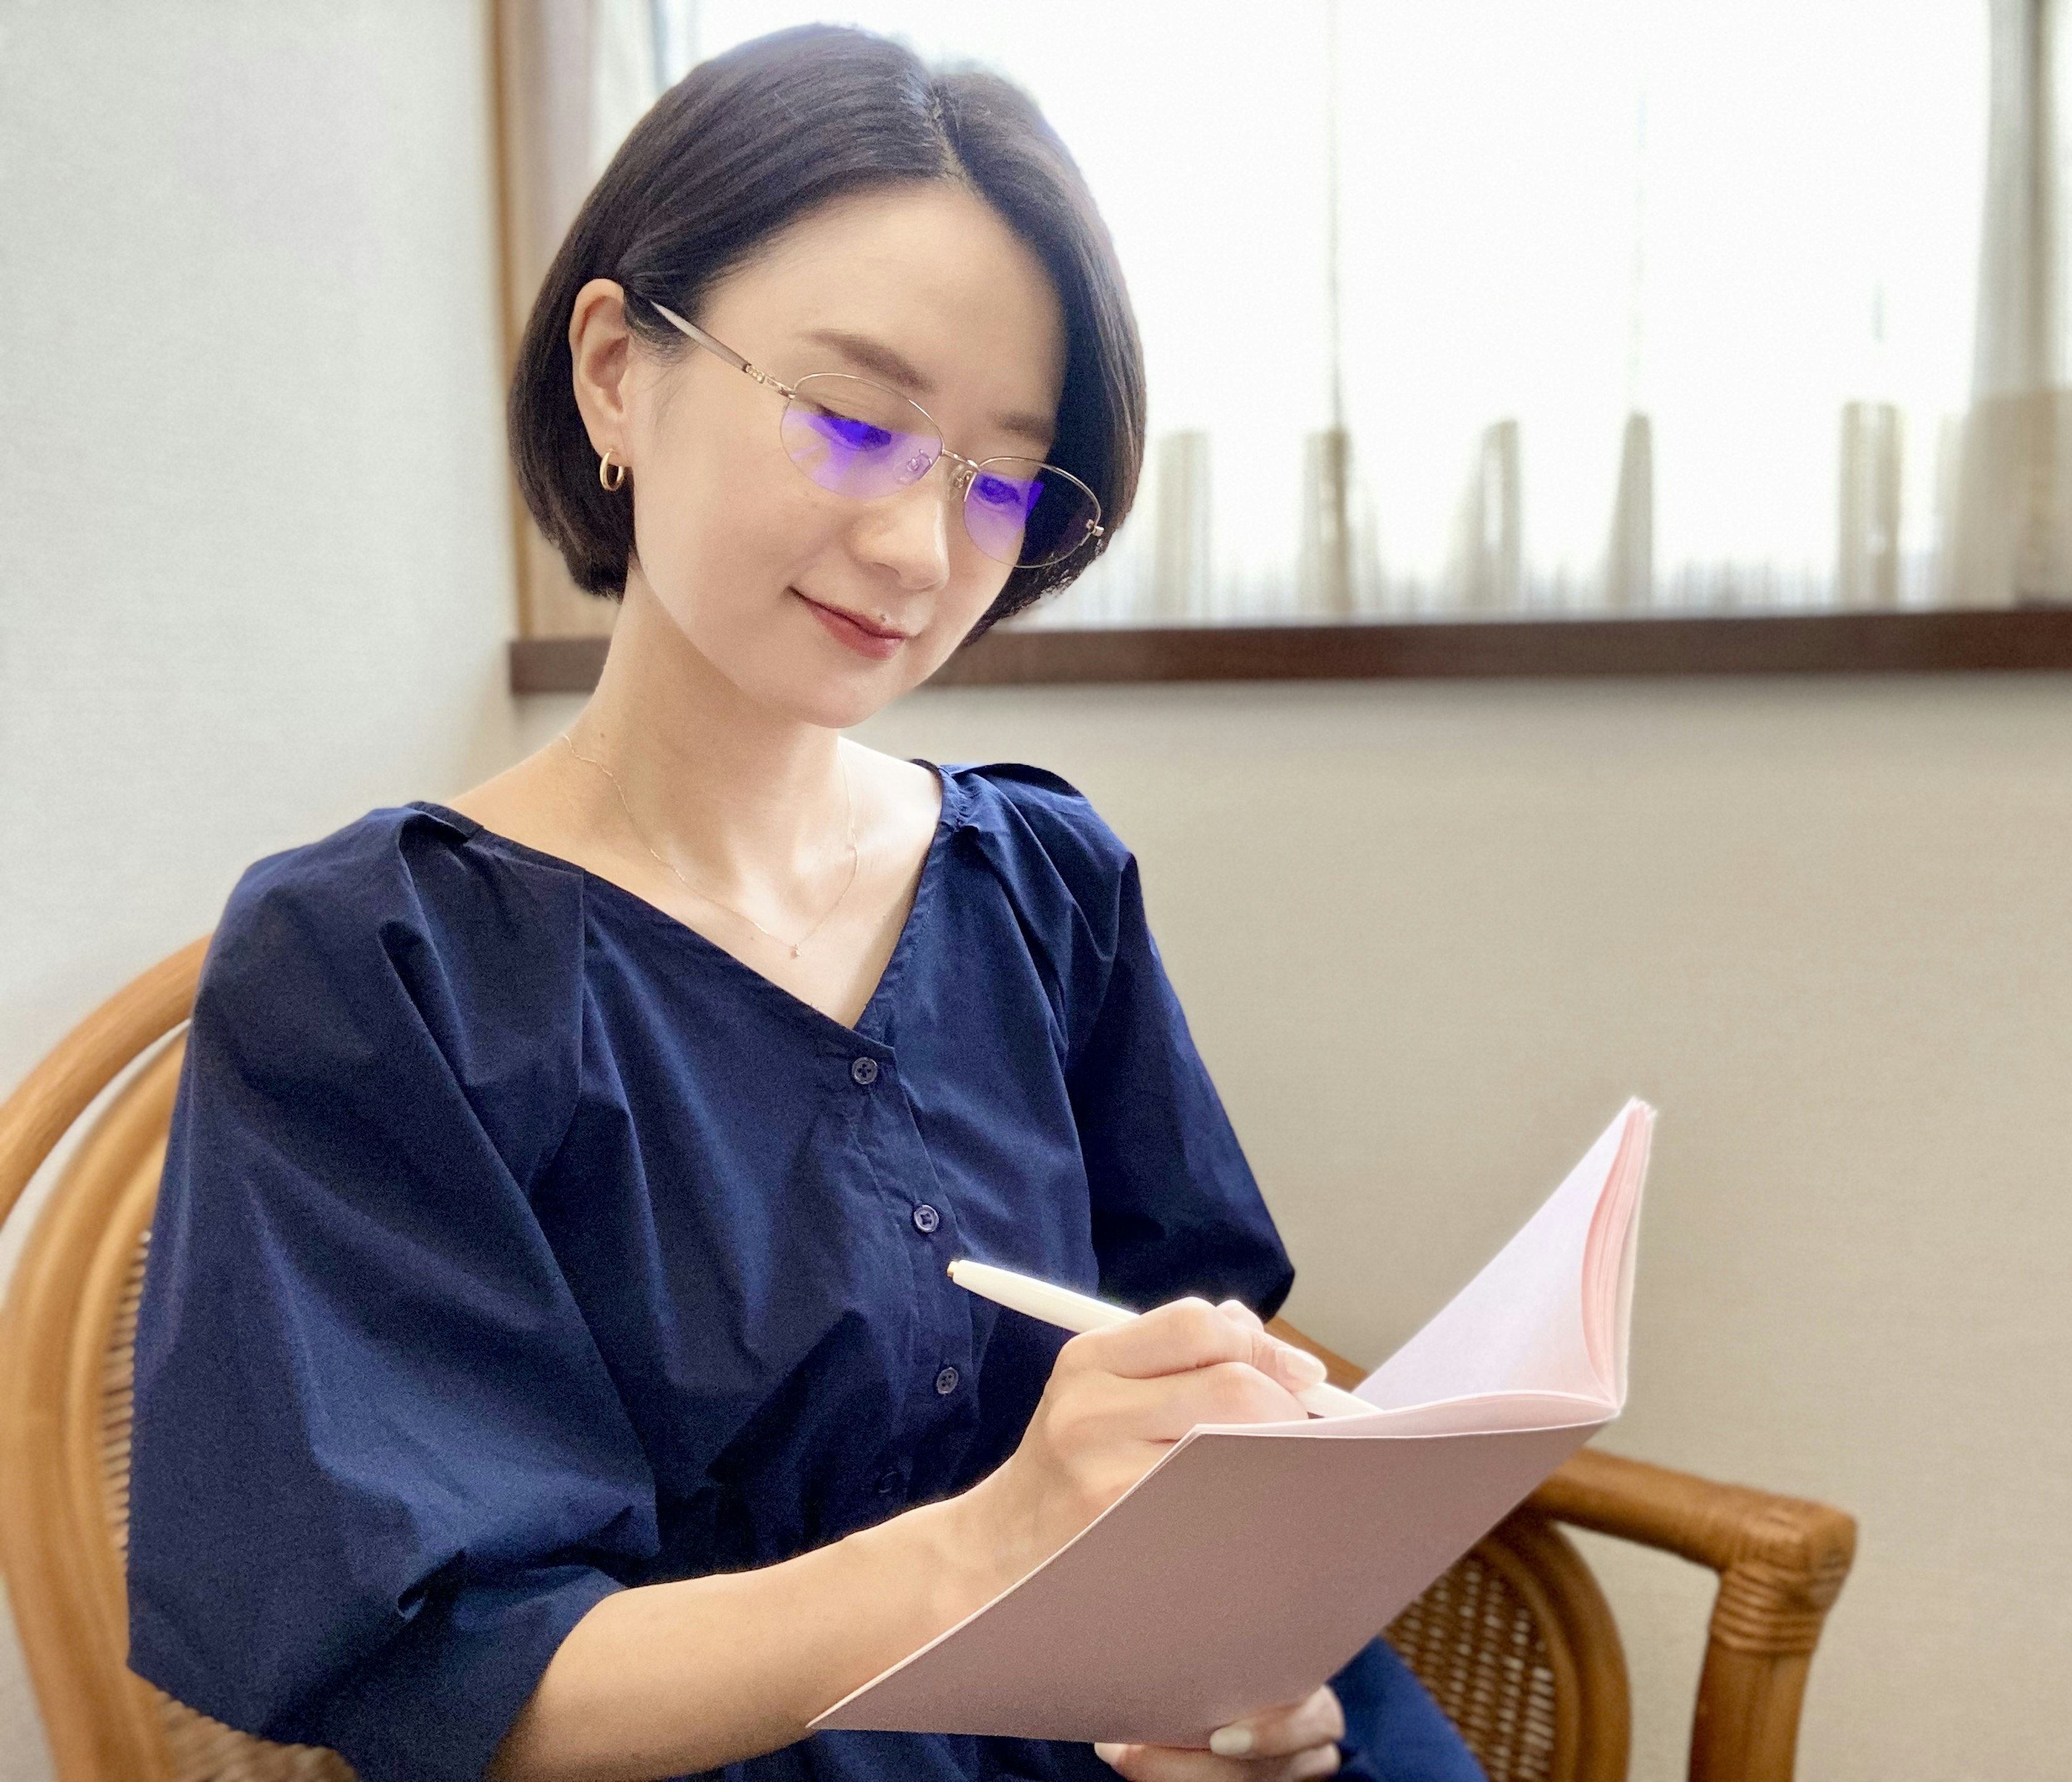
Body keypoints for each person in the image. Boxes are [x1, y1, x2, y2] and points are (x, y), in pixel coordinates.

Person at [127, 25, 1489, 1782]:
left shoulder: (1041, 888)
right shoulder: (386, 968)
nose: (928, 553)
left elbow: (1195, 1403)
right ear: (617, 371)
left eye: (1002, 480)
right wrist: (995, 1553)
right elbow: (458, 1678)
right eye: (855, 421)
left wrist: (1235, 1665)